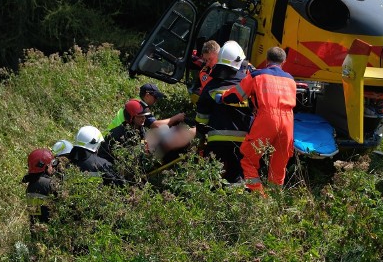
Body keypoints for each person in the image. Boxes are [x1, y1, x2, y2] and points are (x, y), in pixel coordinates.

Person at [217, 47, 296, 192]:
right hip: (288, 123)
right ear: (284, 62)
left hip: (267, 120)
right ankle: (275, 196)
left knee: (247, 159)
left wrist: (222, 97)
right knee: (279, 164)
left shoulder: (257, 75)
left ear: (267, 60)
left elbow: (236, 95)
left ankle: (259, 195)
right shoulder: (291, 79)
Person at [195, 41, 253, 183]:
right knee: (238, 176)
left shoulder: (212, 84)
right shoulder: (248, 83)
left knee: (212, 177)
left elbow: (202, 114)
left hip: (216, 140)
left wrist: (201, 136)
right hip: (242, 142)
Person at [107, 83, 185, 131]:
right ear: (147, 96)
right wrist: (176, 118)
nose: (156, 100)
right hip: (114, 137)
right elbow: (156, 125)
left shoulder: (137, 101)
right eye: (155, 97)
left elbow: (142, 135)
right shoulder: (140, 107)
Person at [100, 99, 151, 163]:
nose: (144, 118)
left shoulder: (141, 129)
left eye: (144, 116)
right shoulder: (116, 135)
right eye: (140, 116)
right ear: (131, 117)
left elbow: (143, 143)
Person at [22, 148, 58, 229]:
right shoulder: (50, 184)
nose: (53, 168)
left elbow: (34, 215)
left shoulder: (31, 185)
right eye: (51, 165)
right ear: (45, 166)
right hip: (51, 231)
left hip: (36, 230)